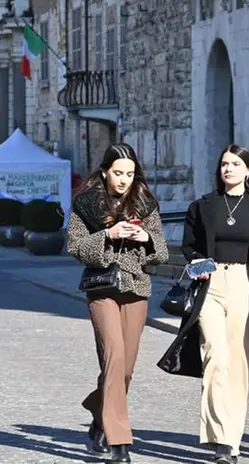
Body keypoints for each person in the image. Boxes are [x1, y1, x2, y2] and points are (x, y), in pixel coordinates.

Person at [157, 144, 249, 464]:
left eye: (235, 164)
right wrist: (199, 263)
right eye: (224, 164)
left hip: (244, 285)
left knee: (238, 364)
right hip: (210, 285)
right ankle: (219, 435)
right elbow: (189, 246)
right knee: (215, 357)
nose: (228, 169)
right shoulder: (203, 206)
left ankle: (230, 443)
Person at [67, 143, 169, 463]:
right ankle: (119, 441)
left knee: (125, 370)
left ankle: (99, 417)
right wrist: (108, 235)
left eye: (130, 173)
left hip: (136, 288)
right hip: (102, 288)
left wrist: (147, 239)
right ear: (105, 172)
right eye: (118, 173)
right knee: (113, 358)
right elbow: (74, 245)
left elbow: (162, 252)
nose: (124, 180)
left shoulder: (145, 202)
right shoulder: (86, 203)